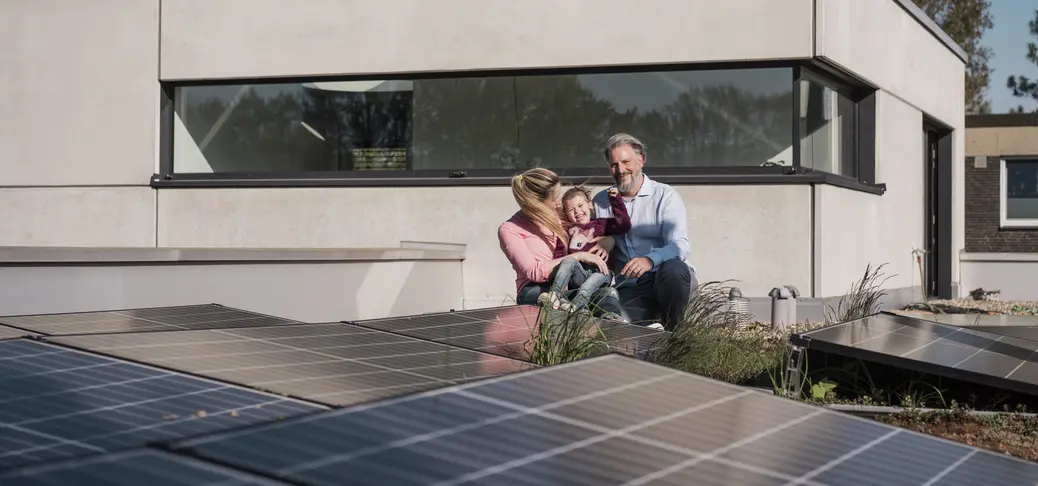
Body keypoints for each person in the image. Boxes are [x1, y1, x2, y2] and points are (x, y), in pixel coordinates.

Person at [592, 133, 698, 330]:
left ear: (641, 160)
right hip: (629, 287)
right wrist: (604, 240)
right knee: (620, 329)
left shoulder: (665, 195)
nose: (620, 170)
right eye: (614, 164)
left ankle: (677, 336)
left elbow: (680, 245)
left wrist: (650, 259)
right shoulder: (601, 201)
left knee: (674, 269)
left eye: (626, 162)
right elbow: (591, 236)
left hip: (665, 280)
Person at [498, 168, 621, 315]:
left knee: (607, 293)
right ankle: (558, 303)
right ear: (537, 203)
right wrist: (578, 256)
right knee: (542, 296)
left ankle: (614, 326)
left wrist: (609, 240)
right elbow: (534, 271)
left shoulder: (557, 215)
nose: (558, 202)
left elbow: (589, 226)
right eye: (555, 198)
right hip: (536, 288)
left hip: (569, 285)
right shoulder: (509, 230)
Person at [537, 185, 631, 318]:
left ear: (590, 205)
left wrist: (615, 198)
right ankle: (554, 296)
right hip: (579, 273)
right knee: (569, 259)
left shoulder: (601, 224)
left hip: (602, 272)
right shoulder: (567, 233)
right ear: (566, 214)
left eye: (580, 206)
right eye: (571, 209)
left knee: (589, 285)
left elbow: (623, 224)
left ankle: (575, 306)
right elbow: (561, 258)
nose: (577, 211)